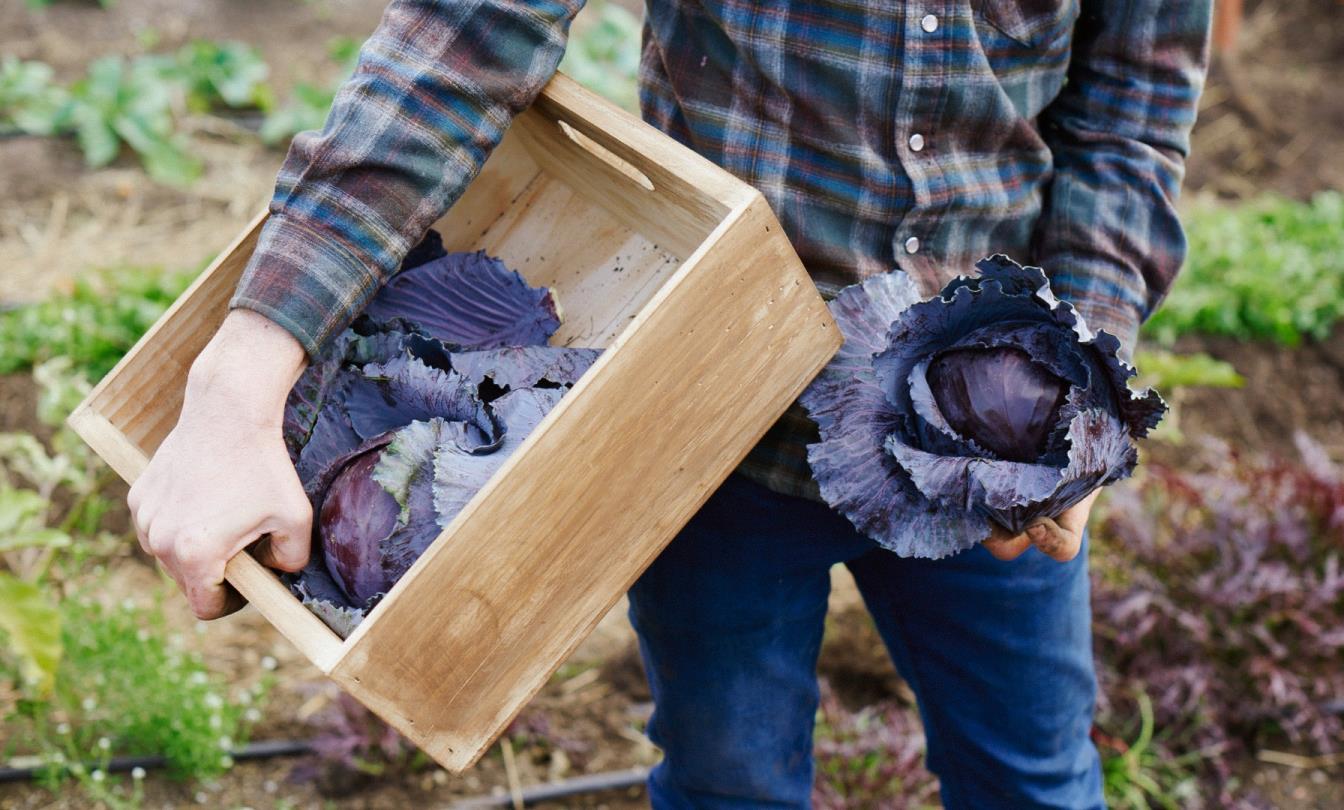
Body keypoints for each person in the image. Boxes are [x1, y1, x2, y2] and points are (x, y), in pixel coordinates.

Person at [127, 0, 1211, 806]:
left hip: (991, 459)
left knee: (1033, 773)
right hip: (713, 435)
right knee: (725, 777)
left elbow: (1128, 121)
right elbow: (460, 40)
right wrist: (237, 383)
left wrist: (1080, 387)